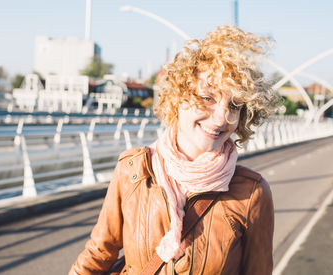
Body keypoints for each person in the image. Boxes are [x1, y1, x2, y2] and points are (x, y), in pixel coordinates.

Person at [69, 25, 280, 275]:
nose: (222, 118)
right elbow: (99, 253)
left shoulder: (252, 193)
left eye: (234, 105)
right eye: (208, 98)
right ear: (178, 97)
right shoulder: (134, 170)